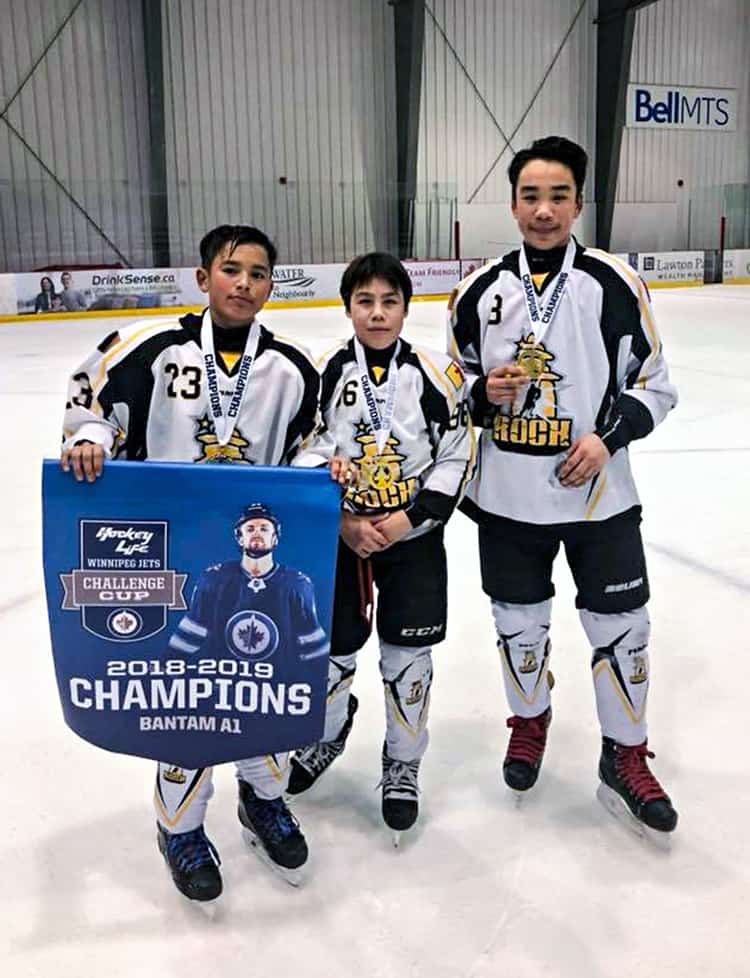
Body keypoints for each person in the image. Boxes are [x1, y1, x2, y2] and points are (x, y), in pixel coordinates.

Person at [60, 224, 321, 900]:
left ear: (271, 285)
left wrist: (325, 468)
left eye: (259, 273)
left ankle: (262, 797)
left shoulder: (292, 368)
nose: (245, 283)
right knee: (188, 696)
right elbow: (89, 396)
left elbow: (313, 446)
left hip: (259, 562)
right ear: (203, 278)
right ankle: (179, 826)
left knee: (266, 681)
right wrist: (91, 433)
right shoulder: (156, 348)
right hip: (173, 561)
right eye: (231, 270)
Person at [447, 136, 679, 841]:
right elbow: (450, 393)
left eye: (558, 197)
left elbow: (657, 387)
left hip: (598, 500)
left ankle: (626, 754)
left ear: (580, 202)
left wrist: (605, 438)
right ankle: (529, 721)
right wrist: (482, 394)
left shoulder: (613, 284)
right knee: (519, 624)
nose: (543, 211)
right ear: (512, 202)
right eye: (529, 196)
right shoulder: (478, 291)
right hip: (509, 502)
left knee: (623, 629)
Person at [287, 252, 475, 840]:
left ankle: (403, 761)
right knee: (333, 652)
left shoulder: (436, 374)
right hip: (340, 540)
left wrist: (412, 517)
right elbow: (300, 447)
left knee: (406, 656)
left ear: (405, 307)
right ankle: (327, 733)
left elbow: (459, 451)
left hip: (411, 539)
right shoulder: (319, 372)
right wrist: (340, 516)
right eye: (364, 301)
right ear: (347, 307)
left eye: (389, 301)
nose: (377, 313)